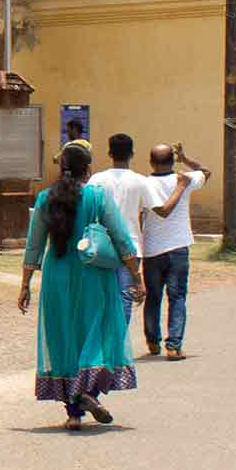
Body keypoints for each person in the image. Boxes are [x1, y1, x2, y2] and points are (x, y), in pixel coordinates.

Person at [19, 140, 143, 427]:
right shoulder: (98, 197)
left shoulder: (44, 199)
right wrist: (136, 278)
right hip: (93, 275)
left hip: (56, 277)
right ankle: (88, 392)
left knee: (64, 337)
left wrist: (25, 285)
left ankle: (74, 415)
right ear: (87, 169)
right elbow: (123, 240)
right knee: (97, 332)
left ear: (62, 167)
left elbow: (33, 246)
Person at [137, 141, 205, 360]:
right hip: (178, 246)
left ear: (150, 162)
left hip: (152, 248)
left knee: (153, 296)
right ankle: (174, 345)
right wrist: (185, 160)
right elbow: (205, 171)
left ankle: (153, 342)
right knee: (177, 297)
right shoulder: (183, 179)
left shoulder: (144, 184)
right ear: (172, 160)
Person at [88, 133, 156, 339]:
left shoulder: (96, 179)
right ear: (132, 154)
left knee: (100, 296)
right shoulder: (141, 181)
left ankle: (100, 340)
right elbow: (150, 210)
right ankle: (118, 341)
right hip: (131, 245)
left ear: (109, 153)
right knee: (125, 294)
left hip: (101, 246)